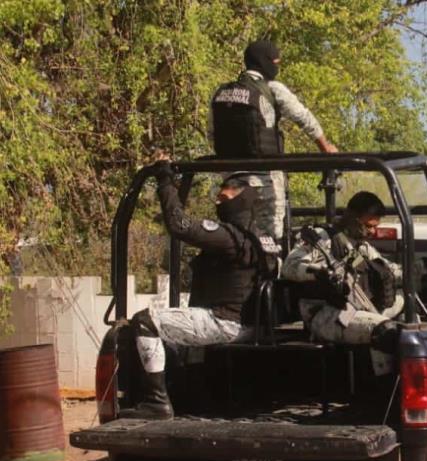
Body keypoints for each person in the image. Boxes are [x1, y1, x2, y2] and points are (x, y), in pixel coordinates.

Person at [121, 160, 277, 420]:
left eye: (223, 196)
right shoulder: (264, 239)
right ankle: (197, 396)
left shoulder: (230, 237)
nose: (218, 202)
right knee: (182, 333)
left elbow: (178, 225)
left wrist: (165, 181)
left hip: (224, 321)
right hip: (250, 324)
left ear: (242, 196)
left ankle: (156, 403)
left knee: (144, 322)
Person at [208, 39, 338, 240]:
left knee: (235, 237)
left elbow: (212, 134)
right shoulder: (272, 88)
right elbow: (303, 117)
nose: (277, 66)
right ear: (265, 62)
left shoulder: (222, 92)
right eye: (276, 61)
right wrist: (325, 147)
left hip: (232, 182)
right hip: (265, 179)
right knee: (270, 241)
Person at [281, 192, 402, 351]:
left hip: (361, 307)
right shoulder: (323, 238)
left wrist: (419, 268)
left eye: (375, 226)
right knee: (386, 331)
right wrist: (320, 272)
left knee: (407, 302)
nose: (372, 232)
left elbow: (389, 269)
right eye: (368, 226)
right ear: (352, 217)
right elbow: (290, 266)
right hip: (326, 313)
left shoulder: (361, 247)